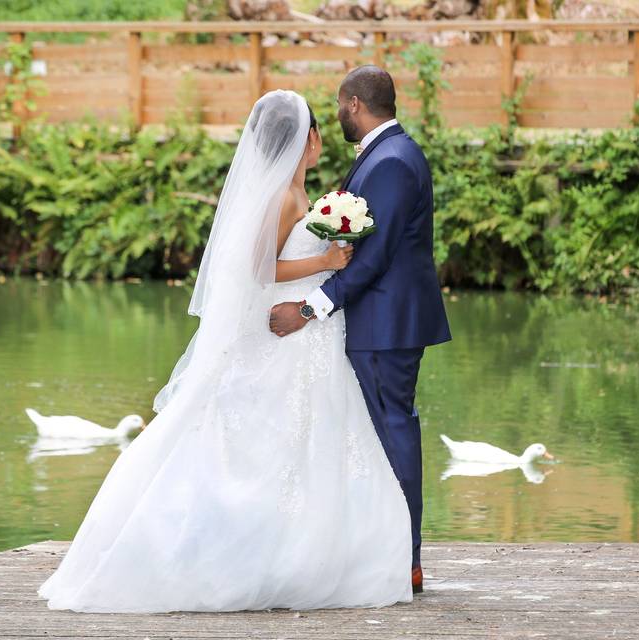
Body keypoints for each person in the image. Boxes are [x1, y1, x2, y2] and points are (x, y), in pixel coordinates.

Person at [36, 89, 413, 612]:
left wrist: (325, 253)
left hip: (308, 335)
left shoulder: (300, 196)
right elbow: (258, 269)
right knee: (265, 441)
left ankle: (296, 555)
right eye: (315, 130)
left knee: (309, 439)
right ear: (309, 139)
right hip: (285, 327)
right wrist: (326, 261)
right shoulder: (283, 197)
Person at [269, 66, 452, 593]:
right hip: (379, 320)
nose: (334, 115)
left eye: (337, 105)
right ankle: (382, 552)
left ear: (353, 104)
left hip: (386, 324)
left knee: (393, 433)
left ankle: (405, 558)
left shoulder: (392, 160)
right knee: (374, 437)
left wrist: (308, 309)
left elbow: (374, 259)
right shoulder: (386, 154)